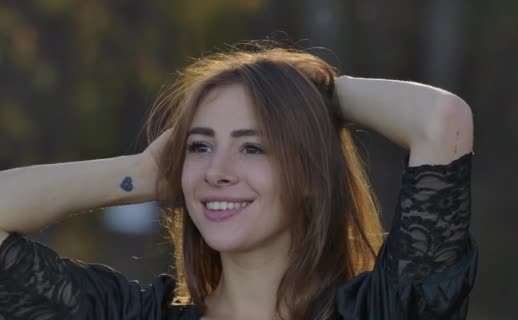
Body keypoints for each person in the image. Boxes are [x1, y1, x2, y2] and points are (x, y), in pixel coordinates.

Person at [0, 45, 476, 320]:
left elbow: (441, 121)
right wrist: (144, 173)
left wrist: (309, 93)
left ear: (308, 175)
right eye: (200, 146)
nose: (216, 170)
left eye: (254, 147)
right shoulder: (127, 314)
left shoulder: (386, 310)